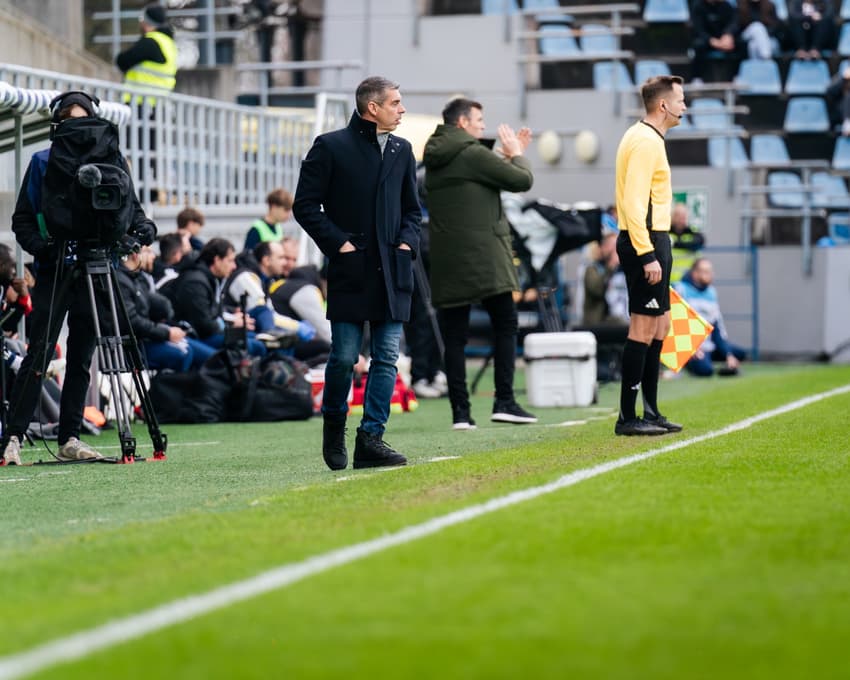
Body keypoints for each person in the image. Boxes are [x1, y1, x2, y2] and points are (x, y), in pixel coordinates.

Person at [1, 91, 157, 465]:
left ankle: (70, 436)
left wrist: (140, 233)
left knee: (82, 357)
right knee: (39, 353)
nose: (78, 129)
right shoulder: (42, 163)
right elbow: (23, 220)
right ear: (57, 125)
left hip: (98, 268)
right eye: (69, 121)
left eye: (83, 119)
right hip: (56, 270)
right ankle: (12, 438)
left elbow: (132, 212)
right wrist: (45, 248)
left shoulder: (114, 161)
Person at [293, 76, 421, 471]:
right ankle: (334, 427)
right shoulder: (330, 146)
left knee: (386, 358)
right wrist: (340, 244)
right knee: (345, 356)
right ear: (372, 108)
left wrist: (406, 243)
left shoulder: (403, 150)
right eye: (395, 103)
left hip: (393, 270)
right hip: (352, 268)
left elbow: (413, 210)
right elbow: (305, 205)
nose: (401, 109)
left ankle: (371, 439)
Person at [423, 97, 537, 430]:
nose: (483, 126)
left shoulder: (435, 155)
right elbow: (522, 181)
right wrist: (517, 153)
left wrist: (505, 157)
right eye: (479, 121)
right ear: (462, 123)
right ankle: (505, 401)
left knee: (454, 335)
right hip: (485, 257)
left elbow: (476, 179)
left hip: (448, 259)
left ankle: (461, 413)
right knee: (506, 323)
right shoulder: (472, 153)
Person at [613, 75, 688, 436]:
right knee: (643, 327)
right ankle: (627, 417)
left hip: (656, 239)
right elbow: (633, 202)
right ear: (663, 105)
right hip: (645, 241)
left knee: (661, 325)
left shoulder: (648, 138)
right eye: (680, 100)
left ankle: (651, 411)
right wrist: (646, 254)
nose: (684, 106)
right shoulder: (644, 141)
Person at [116, 246, 214, 372]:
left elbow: (151, 306)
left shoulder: (136, 277)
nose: (153, 256)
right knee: (183, 353)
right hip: (134, 344)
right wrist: (166, 333)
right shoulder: (123, 280)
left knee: (193, 351)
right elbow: (132, 322)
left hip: (146, 335)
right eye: (148, 252)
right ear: (135, 255)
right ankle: (167, 384)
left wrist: (165, 316)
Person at [166, 238, 267, 358]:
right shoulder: (195, 283)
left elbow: (213, 313)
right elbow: (204, 325)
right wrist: (231, 324)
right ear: (217, 260)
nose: (234, 266)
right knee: (254, 345)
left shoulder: (211, 278)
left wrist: (230, 319)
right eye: (230, 261)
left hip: (209, 332)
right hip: (194, 336)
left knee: (258, 338)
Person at [674, 257, 746, 377]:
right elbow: (674, 323)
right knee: (705, 371)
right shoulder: (679, 289)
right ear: (695, 273)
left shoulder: (711, 292)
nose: (710, 274)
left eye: (710, 271)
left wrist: (728, 355)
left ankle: (714, 360)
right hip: (687, 345)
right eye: (705, 271)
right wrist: (689, 347)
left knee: (739, 354)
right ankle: (689, 362)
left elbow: (715, 327)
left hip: (707, 344)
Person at [268, 237, 332, 344]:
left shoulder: (296, 283)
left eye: (294, 260)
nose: (290, 264)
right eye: (286, 258)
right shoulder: (300, 288)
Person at [115, 3, 178, 103]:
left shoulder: (150, 42)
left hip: (141, 101)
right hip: (160, 102)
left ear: (147, 22)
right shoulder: (168, 42)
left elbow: (122, 61)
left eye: (142, 19)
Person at [690, 0, 739, 84]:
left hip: (724, 40)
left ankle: (736, 76)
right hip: (707, 40)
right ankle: (697, 77)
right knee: (698, 45)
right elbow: (698, 29)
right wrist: (712, 41)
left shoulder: (726, 5)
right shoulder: (698, 6)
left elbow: (733, 23)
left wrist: (727, 35)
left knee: (741, 44)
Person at [670, 202, 705, 282]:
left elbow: (699, 242)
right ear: (672, 216)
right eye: (678, 215)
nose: (681, 218)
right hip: (669, 281)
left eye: (684, 215)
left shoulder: (694, 232)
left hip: (689, 282)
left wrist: (674, 243)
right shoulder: (665, 233)